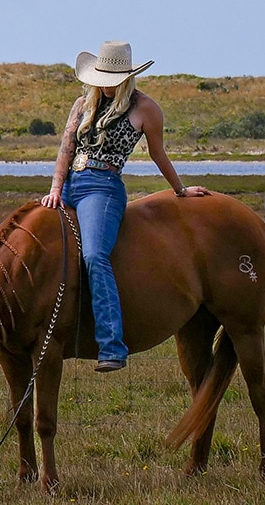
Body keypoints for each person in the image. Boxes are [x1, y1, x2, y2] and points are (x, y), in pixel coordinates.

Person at [39, 40, 202, 371]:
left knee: (96, 256)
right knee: (30, 244)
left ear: (126, 76)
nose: (105, 84)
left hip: (104, 187)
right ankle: (11, 337)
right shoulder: (82, 103)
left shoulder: (146, 109)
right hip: (70, 183)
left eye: (112, 77)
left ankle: (112, 344)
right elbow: (65, 149)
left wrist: (180, 190)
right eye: (102, 76)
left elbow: (158, 154)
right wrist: (55, 188)